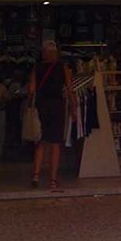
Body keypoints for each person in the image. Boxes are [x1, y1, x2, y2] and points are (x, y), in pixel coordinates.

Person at [28, 41, 74, 190]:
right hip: (57, 107)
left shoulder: (37, 68)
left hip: (41, 107)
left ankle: (36, 175)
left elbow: (31, 89)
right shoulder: (62, 67)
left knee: (40, 141)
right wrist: (73, 106)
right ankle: (52, 180)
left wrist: (30, 106)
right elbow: (69, 88)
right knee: (55, 144)